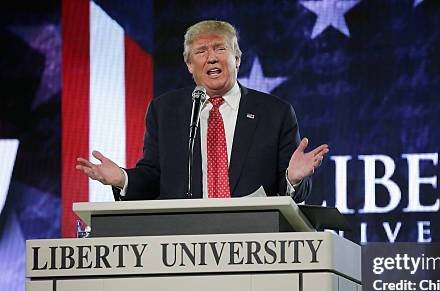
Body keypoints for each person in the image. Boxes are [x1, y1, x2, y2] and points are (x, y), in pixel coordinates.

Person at [76, 20, 328, 202]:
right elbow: (153, 177)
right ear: (189, 65)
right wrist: (122, 178)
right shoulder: (165, 111)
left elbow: (293, 195)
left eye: (220, 49)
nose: (212, 58)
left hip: (255, 243)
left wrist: (292, 179)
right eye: (201, 51)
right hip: (183, 243)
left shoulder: (275, 113)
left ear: (237, 59)